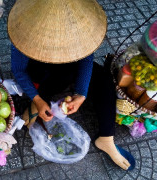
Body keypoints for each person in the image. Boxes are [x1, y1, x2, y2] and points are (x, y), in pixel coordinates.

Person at [8, 0, 132, 170]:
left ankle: (106, 138)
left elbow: (86, 58)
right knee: (60, 74)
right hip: (39, 68)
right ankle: (35, 104)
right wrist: (37, 99)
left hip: (69, 66)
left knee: (102, 77)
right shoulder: (27, 30)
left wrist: (81, 94)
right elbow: (19, 70)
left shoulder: (79, 27)